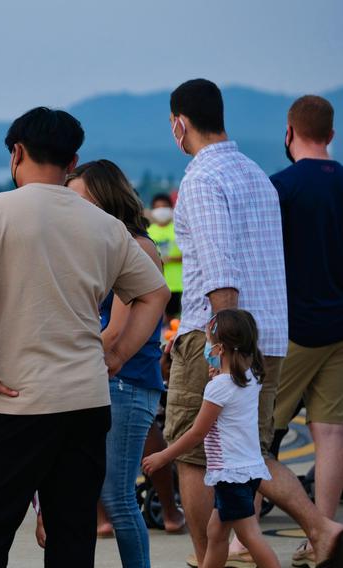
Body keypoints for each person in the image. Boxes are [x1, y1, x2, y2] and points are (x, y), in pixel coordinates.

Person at [0, 106, 169, 567]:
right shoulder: (106, 225)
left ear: (17, 153)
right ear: (73, 161)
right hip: (86, 402)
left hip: (14, 399)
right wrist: (120, 353)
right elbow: (155, 293)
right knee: (73, 534)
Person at [165, 78, 343, 567]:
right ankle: (321, 527)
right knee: (251, 453)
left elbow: (219, 267)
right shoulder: (257, 175)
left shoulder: (202, 179)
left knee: (196, 455)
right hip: (270, 334)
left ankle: (209, 561)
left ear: (181, 123)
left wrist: (222, 347)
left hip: (221, 335)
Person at [62, 159, 167, 567]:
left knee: (118, 496)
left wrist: (64, 361)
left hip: (126, 379)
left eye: (80, 200)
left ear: (104, 198)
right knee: (105, 492)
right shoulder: (109, 245)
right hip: (111, 378)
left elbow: (115, 333)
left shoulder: (135, 247)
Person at [144, 310, 279, 568]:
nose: (206, 348)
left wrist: (164, 456)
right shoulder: (251, 378)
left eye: (207, 341)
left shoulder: (219, 387)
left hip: (231, 475)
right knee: (216, 533)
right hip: (247, 472)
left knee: (249, 536)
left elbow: (197, 432)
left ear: (219, 348)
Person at [271, 95, 343, 567]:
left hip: (293, 327)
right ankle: (320, 536)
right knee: (331, 434)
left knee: (258, 436)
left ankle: (237, 539)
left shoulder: (279, 186)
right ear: (332, 135)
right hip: (341, 326)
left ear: (290, 132)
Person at [147, 192, 183, 319]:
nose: (161, 210)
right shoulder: (149, 231)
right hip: (157, 284)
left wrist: (173, 259)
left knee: (176, 320)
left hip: (179, 283)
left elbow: (190, 254)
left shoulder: (179, 229)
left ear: (171, 208)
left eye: (164, 206)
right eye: (158, 207)